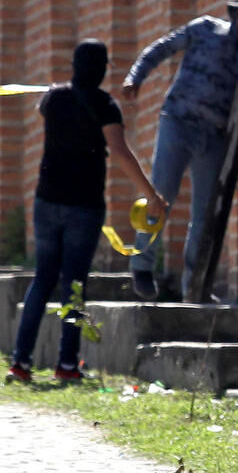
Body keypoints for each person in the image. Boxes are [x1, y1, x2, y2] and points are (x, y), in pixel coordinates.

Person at [6, 40, 166, 384]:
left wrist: (58, 89)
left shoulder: (54, 97)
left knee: (43, 279)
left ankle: (20, 362)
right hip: (84, 205)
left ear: (74, 64)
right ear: (104, 68)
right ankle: (66, 364)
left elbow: (41, 108)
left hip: (46, 200)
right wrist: (150, 194)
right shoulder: (105, 105)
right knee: (74, 284)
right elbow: (120, 151)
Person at [121, 0, 238, 300]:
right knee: (160, 194)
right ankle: (142, 266)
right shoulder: (204, 29)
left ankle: (195, 285)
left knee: (206, 212)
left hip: (215, 136)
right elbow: (162, 48)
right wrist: (135, 77)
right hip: (179, 121)